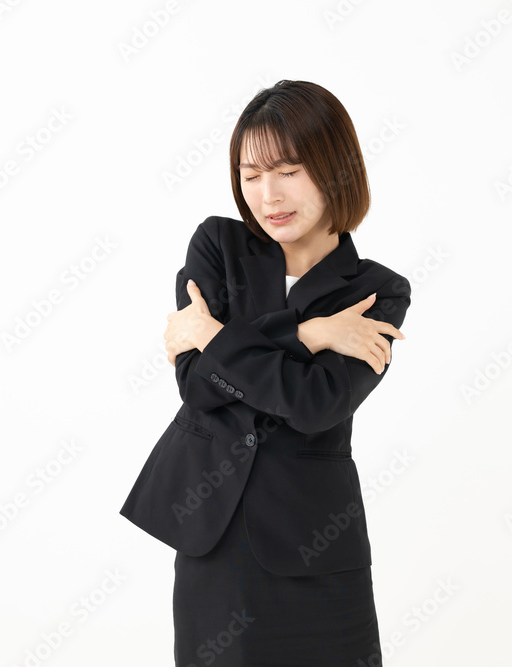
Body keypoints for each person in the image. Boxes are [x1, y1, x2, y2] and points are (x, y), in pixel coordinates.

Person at [120, 80, 412, 666]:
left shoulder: (376, 290)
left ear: (336, 169)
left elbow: (315, 405)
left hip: (316, 546)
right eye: (250, 175)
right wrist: (308, 335)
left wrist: (214, 336)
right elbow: (196, 386)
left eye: (288, 171)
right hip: (214, 533)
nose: (268, 195)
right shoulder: (218, 245)